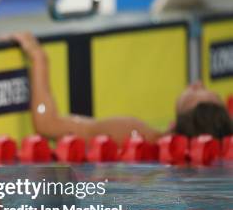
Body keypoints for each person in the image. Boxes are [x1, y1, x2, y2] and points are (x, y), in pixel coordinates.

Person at [13, 31, 232, 144]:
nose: (197, 83)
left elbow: (48, 124)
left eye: (195, 91)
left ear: (179, 122)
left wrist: (39, 58)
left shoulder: (133, 134)